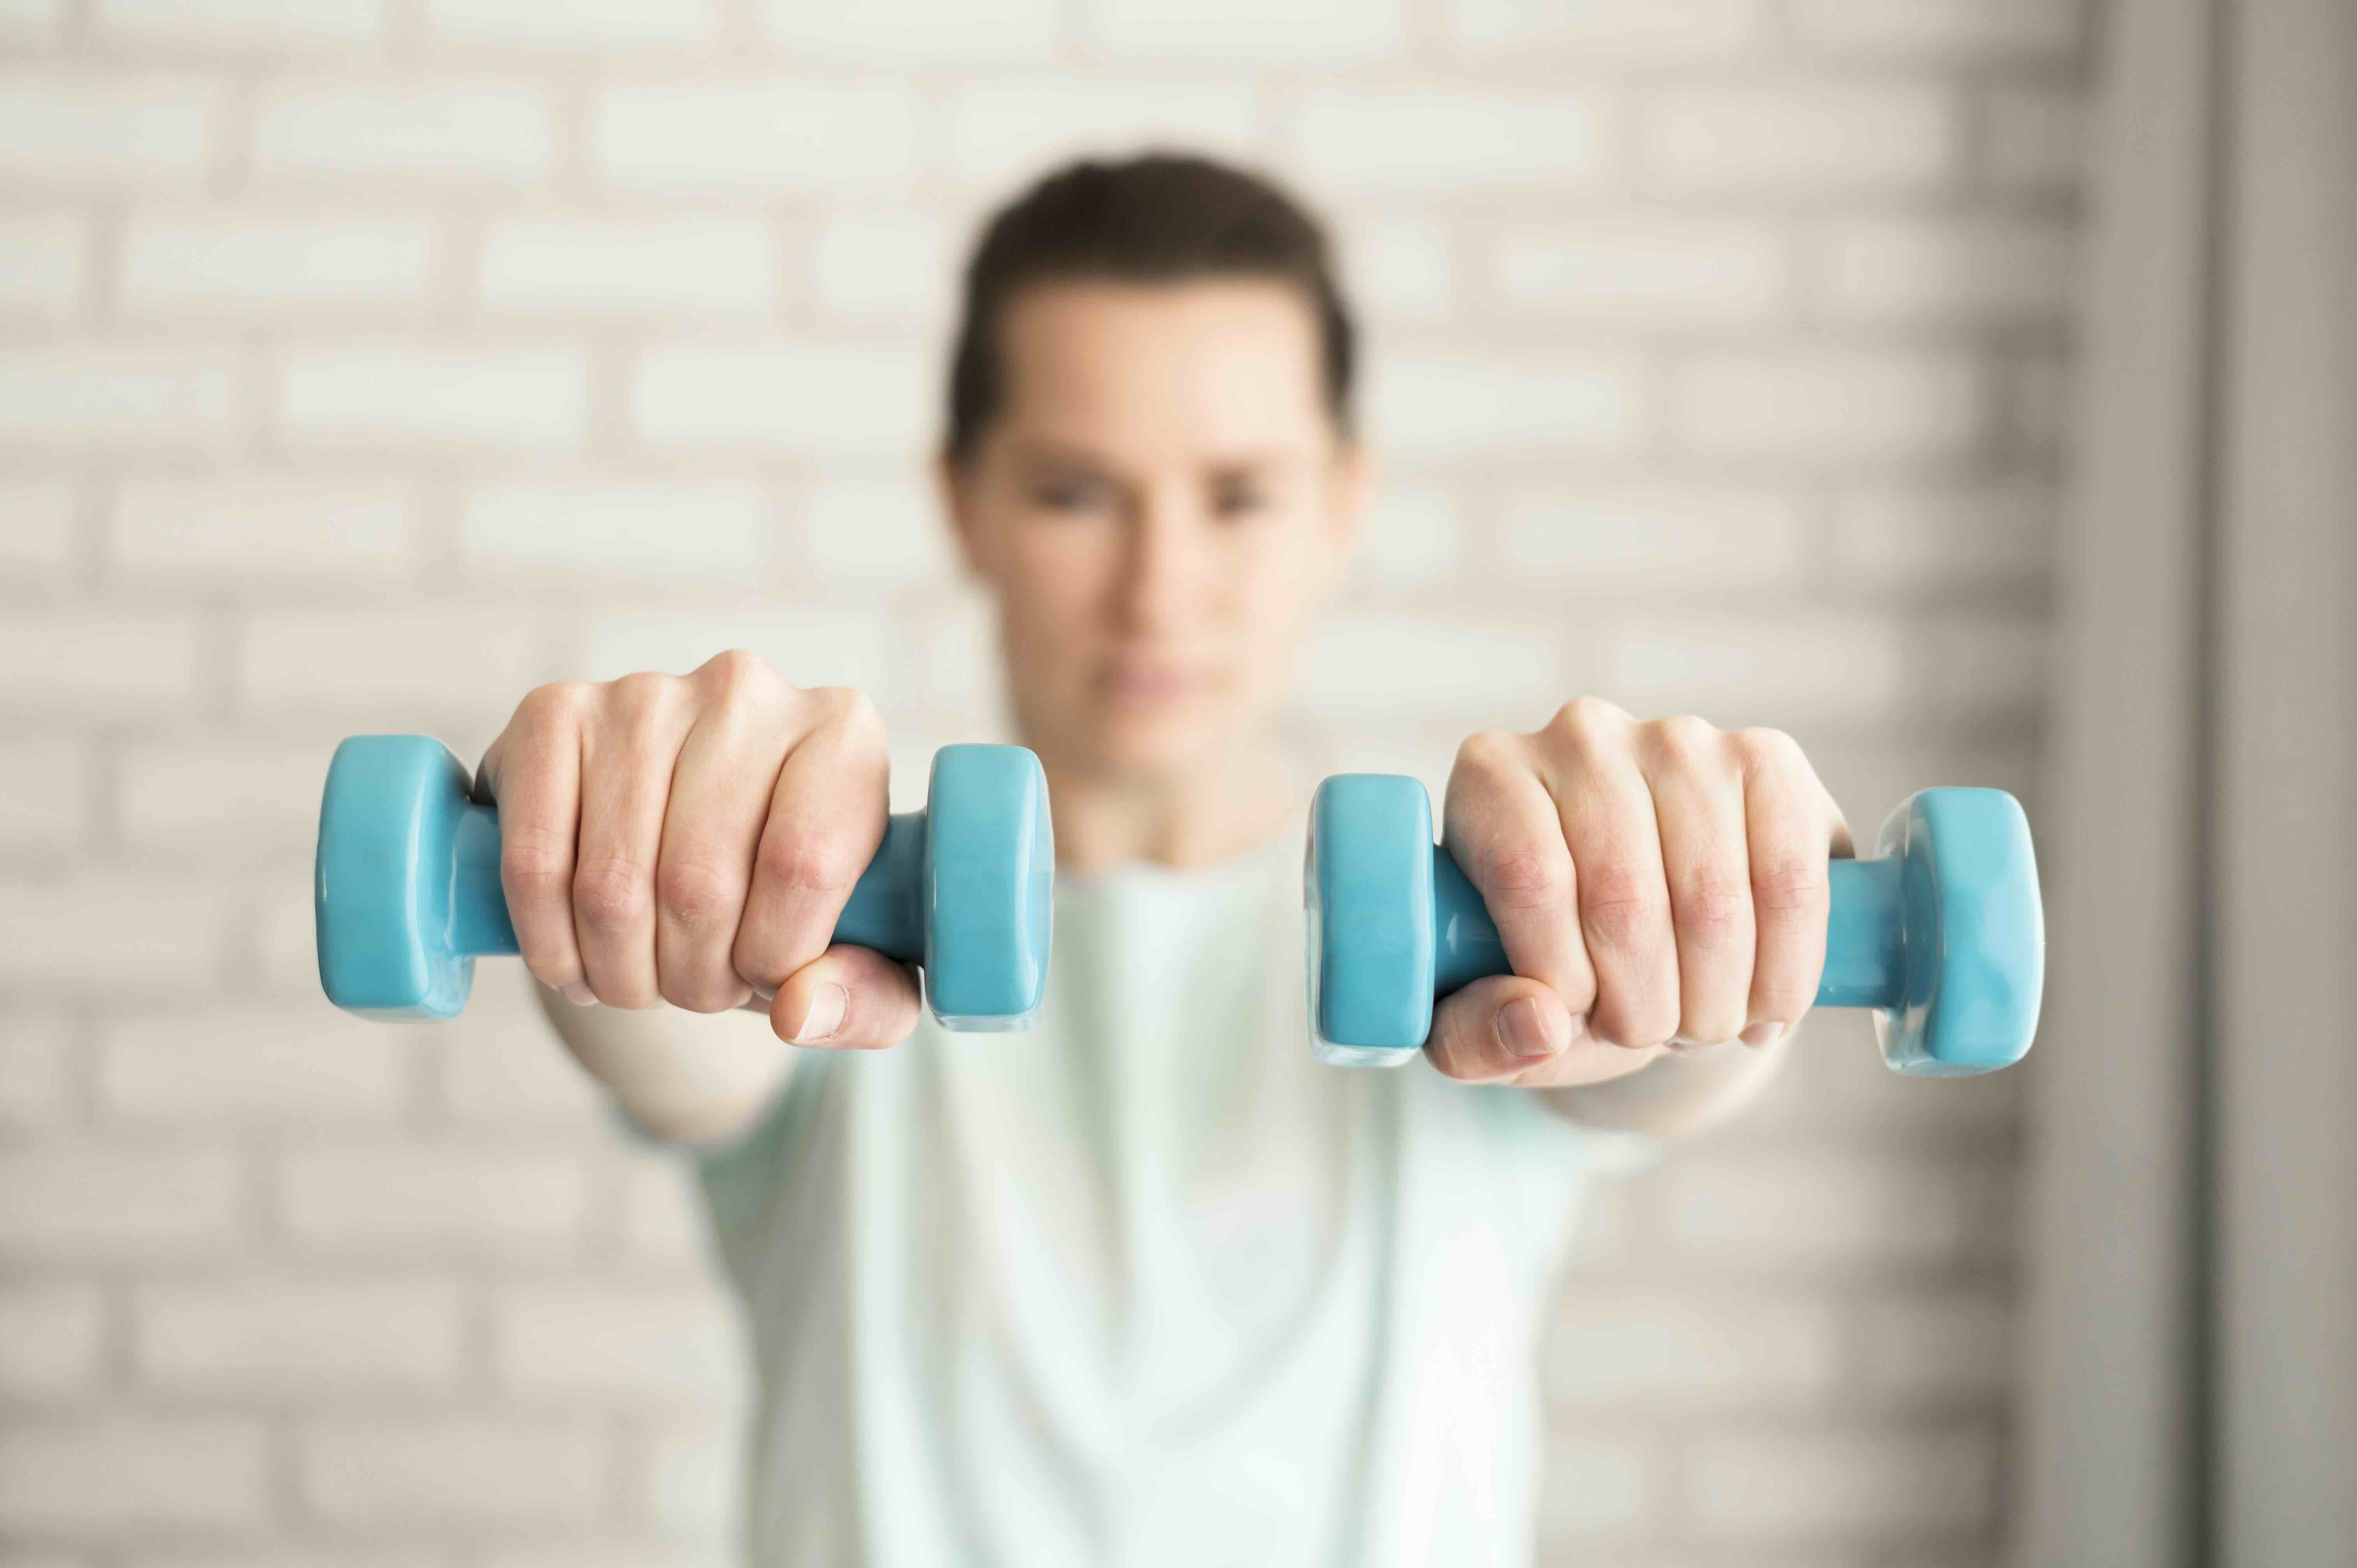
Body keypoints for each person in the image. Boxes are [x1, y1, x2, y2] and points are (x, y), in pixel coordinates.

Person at [480, 154, 1851, 1566]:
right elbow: (668, 1031)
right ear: (966, 504)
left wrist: (1720, 909)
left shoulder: (1505, 942)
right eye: (1079, 494)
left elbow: (1674, 1063)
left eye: (1241, 497)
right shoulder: (807, 934)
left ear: (1342, 504)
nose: (1160, 588)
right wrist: (621, 874)